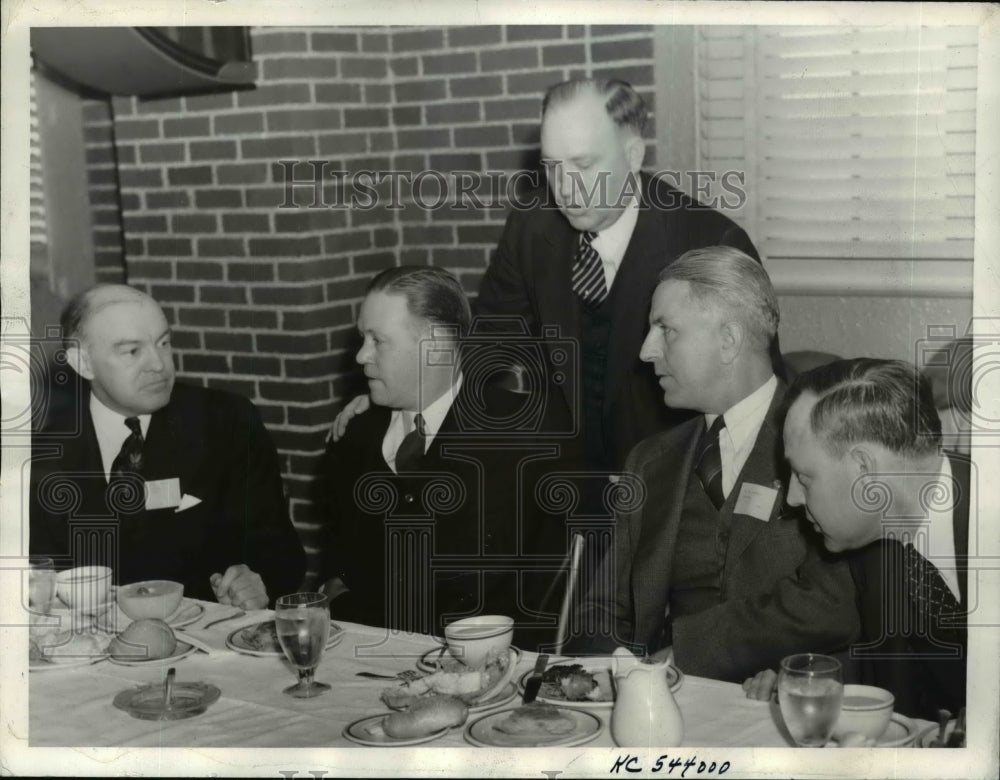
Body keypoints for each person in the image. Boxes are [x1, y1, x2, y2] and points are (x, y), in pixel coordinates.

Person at [331, 77, 772, 474]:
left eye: (582, 165)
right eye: (551, 166)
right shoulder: (532, 226)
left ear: (633, 155)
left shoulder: (711, 240)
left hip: (675, 480)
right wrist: (400, 391)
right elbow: (489, 343)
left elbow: (754, 398)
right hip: (564, 479)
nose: (564, 188)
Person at [570, 246, 857, 682]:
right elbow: (602, 609)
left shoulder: (829, 442)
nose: (646, 351)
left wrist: (680, 654)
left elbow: (833, 604)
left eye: (665, 330)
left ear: (729, 340)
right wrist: (606, 675)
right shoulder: (649, 461)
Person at [317, 266, 569, 646]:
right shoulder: (353, 435)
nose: (361, 355)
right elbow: (340, 570)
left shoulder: (525, 437)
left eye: (378, 340)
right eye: (361, 338)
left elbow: (544, 591)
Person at [29, 284, 305, 608]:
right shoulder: (43, 452)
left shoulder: (227, 423)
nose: (159, 365)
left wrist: (257, 582)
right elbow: (35, 576)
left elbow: (282, 555)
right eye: (133, 351)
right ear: (82, 362)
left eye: (164, 343)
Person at [743, 359, 969, 720]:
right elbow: (894, 667)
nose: (792, 499)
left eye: (804, 477)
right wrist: (812, 681)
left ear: (864, 468)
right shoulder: (872, 544)